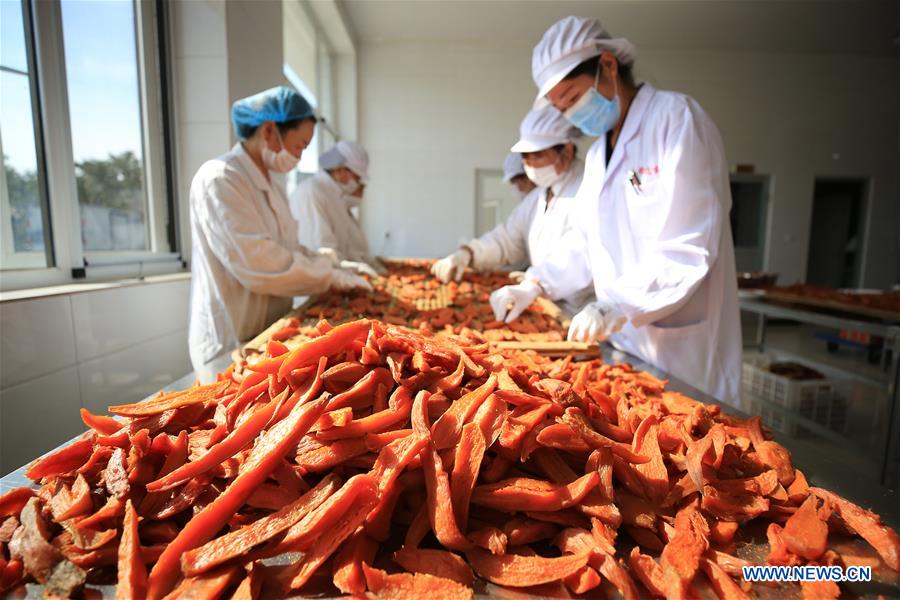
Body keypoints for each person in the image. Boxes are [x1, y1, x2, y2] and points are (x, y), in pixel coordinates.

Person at [490, 16, 741, 403]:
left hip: (682, 348)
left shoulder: (676, 121)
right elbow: (588, 241)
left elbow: (690, 246)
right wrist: (535, 283)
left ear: (608, 66)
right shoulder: (597, 157)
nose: (572, 114)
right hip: (625, 343)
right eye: (562, 108)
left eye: (573, 98)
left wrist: (617, 304)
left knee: (696, 443)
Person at [188, 86, 371, 372]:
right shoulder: (220, 179)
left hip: (270, 331)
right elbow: (259, 263)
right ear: (270, 131)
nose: (299, 156)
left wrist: (329, 261)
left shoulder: (272, 185)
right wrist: (330, 276)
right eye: (299, 145)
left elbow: (288, 248)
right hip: (232, 338)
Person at [432, 107, 593, 313]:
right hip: (545, 302)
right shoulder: (538, 197)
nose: (530, 164)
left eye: (538, 155)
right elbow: (506, 240)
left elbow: (582, 253)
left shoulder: (590, 189)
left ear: (567, 151)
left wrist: (537, 281)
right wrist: (468, 253)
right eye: (526, 157)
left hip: (584, 311)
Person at [289, 140, 384, 276]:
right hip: (316, 279)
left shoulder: (335, 197)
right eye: (356, 178)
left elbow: (345, 246)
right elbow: (320, 251)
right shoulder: (312, 192)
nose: (356, 184)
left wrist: (363, 263)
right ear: (340, 169)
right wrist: (352, 268)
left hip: (334, 276)